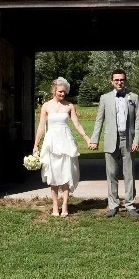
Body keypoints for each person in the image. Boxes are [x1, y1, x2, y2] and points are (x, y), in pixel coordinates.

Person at [33, 77, 91, 217]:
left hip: (66, 141)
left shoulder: (69, 106)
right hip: (51, 141)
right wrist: (36, 144)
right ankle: (54, 205)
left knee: (66, 173)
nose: (62, 94)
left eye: (64, 92)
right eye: (60, 91)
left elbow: (76, 124)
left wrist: (87, 138)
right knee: (53, 175)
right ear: (54, 90)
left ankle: (64, 204)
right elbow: (41, 126)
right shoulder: (46, 106)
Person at [88, 68, 139, 218]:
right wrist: (94, 139)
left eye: (122, 79)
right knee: (111, 174)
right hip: (111, 139)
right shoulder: (105, 98)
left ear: (125, 81)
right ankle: (113, 205)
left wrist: (136, 140)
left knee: (129, 174)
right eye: (116, 80)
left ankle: (130, 205)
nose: (119, 82)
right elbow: (99, 120)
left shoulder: (133, 97)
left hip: (128, 140)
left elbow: (137, 121)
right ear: (112, 81)